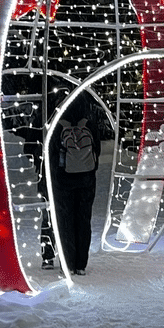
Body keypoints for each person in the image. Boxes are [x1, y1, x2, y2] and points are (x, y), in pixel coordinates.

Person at [48, 104, 101, 275]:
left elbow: (52, 152)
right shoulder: (88, 123)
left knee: (65, 221)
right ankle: (81, 265)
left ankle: (68, 263)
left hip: (63, 180)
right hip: (86, 181)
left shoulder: (58, 124)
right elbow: (96, 150)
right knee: (83, 221)